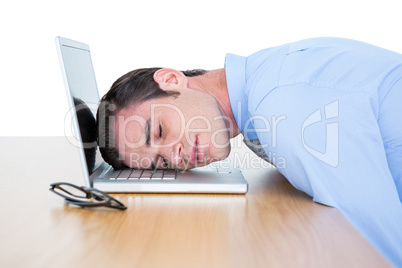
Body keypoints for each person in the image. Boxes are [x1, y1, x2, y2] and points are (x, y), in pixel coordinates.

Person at [96, 37, 402, 266]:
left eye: (159, 130)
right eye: (162, 163)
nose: (176, 157)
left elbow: (378, 250)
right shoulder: (258, 98)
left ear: (171, 80)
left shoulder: (279, 106)